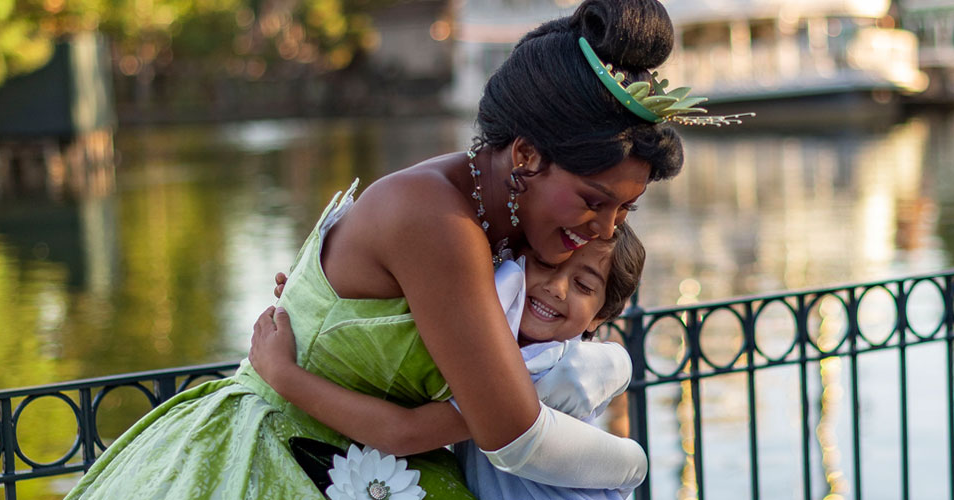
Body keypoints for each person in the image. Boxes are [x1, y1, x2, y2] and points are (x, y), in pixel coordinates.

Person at [64, 1, 685, 498]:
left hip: (375, 462)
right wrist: (632, 465)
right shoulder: (438, 220)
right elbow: (516, 435)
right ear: (524, 154)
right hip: (285, 461)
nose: (604, 230)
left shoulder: (508, 216)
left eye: (624, 210)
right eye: (593, 200)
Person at [250, 223, 646, 499]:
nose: (556, 288)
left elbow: (403, 434)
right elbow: (403, 332)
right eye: (546, 263)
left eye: (582, 285)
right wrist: (325, 306)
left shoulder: (541, 366)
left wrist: (284, 375)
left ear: (599, 317)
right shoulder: (494, 333)